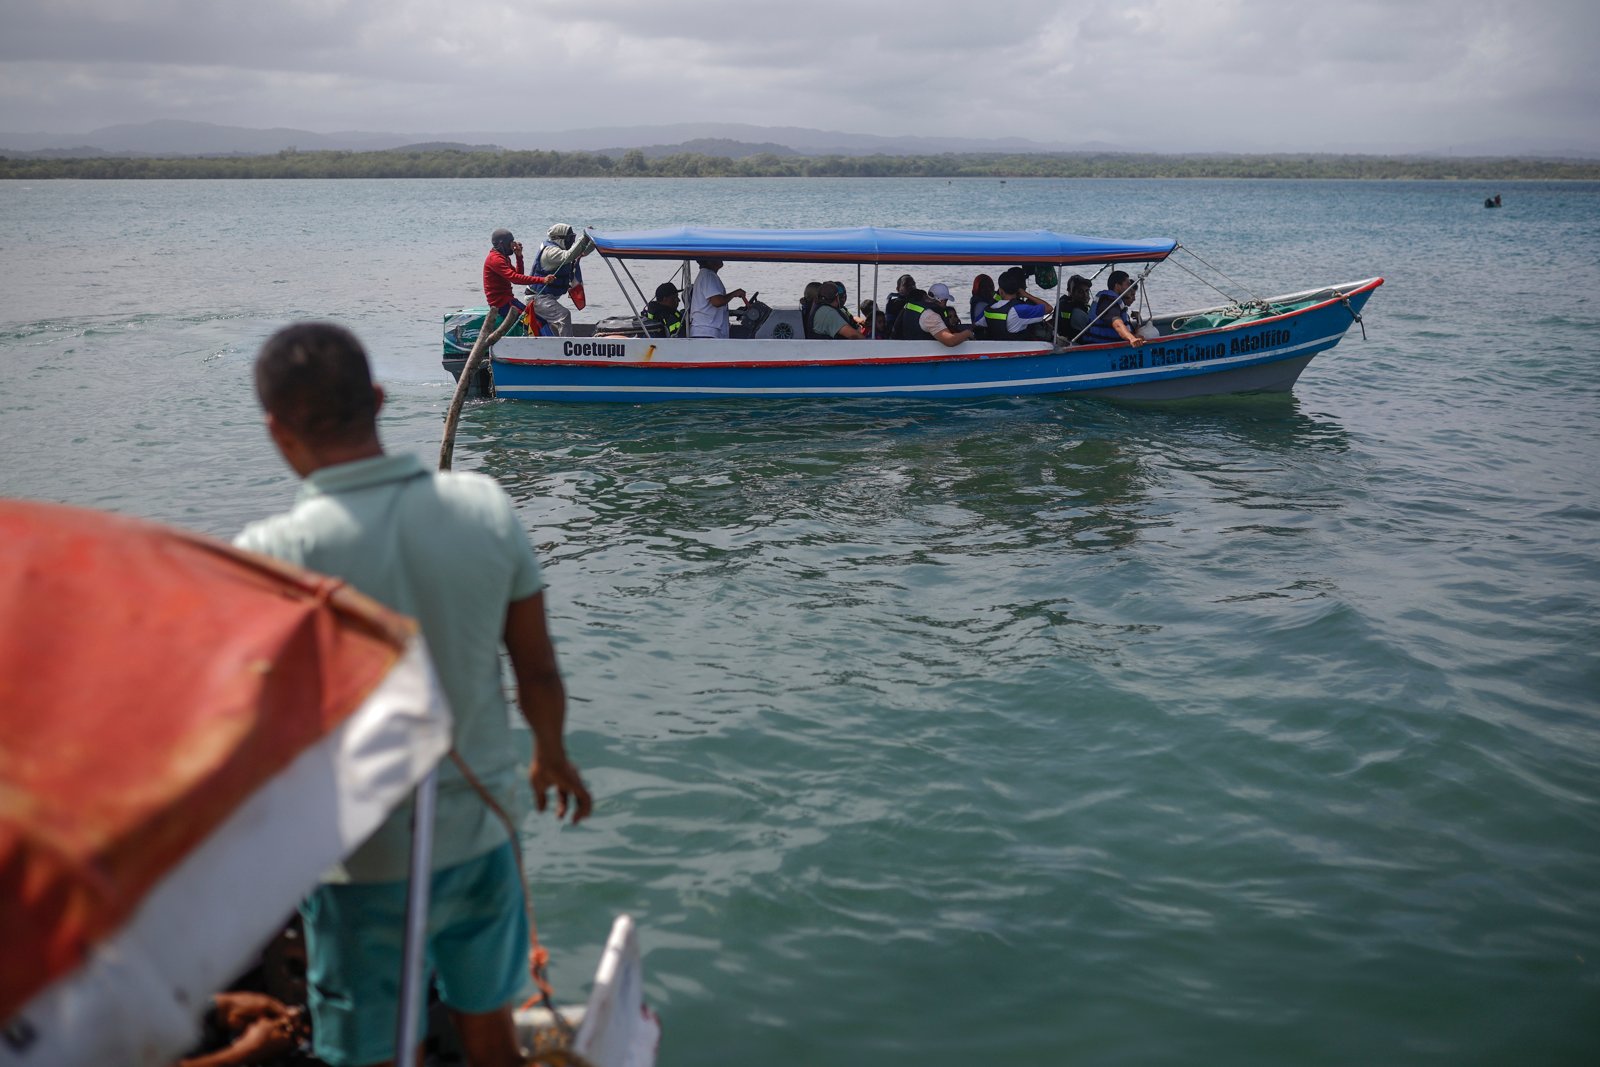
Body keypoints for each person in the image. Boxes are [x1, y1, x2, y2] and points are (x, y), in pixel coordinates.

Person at [235, 322, 593, 1067]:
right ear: (377, 397)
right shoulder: (485, 509)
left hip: (356, 859)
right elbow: (537, 671)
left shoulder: (271, 558)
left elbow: (251, 733)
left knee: (364, 1051)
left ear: (275, 428)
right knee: (488, 1027)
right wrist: (550, 755)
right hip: (481, 833)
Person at [527, 223, 596, 337]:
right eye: (570, 239)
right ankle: (567, 346)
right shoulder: (550, 252)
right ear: (559, 238)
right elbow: (568, 256)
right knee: (563, 315)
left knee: (558, 322)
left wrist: (592, 241)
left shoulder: (561, 250)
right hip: (537, 298)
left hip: (548, 297)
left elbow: (581, 252)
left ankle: (561, 342)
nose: (572, 242)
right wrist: (583, 238)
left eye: (573, 238)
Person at [482, 229, 552, 334]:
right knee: (538, 323)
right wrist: (542, 280)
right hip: (502, 304)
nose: (513, 245)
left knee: (539, 321)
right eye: (511, 242)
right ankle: (550, 347)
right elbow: (515, 278)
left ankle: (545, 344)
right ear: (502, 244)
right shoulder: (495, 259)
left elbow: (518, 275)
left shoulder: (503, 257)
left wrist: (519, 256)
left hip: (508, 300)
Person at [980, 267, 1053, 341]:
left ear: (1000, 291)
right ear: (1019, 290)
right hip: (1017, 350)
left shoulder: (988, 309)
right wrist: (1027, 295)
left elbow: (976, 323)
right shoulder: (1019, 310)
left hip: (995, 349)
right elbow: (1049, 308)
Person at [1082, 270, 1144, 346]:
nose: (1130, 288)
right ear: (1117, 286)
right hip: (1100, 347)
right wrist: (1131, 338)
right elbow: (1116, 323)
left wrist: (1137, 324)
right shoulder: (1108, 300)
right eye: (1128, 285)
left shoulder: (1118, 302)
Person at [688, 258, 747, 338]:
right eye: (717, 257)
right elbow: (717, 301)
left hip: (706, 331)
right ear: (709, 261)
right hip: (706, 332)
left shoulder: (706, 275)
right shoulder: (708, 275)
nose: (721, 258)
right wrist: (734, 294)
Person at [905, 282, 973, 347]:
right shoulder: (930, 316)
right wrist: (967, 333)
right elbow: (950, 341)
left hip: (908, 347)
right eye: (946, 301)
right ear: (941, 300)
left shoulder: (913, 306)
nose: (945, 305)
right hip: (924, 353)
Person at [1058, 274, 1094, 342]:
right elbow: (1093, 332)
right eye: (1080, 292)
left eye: (1087, 291)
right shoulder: (1078, 313)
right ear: (1070, 292)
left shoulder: (1063, 304)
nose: (1085, 295)